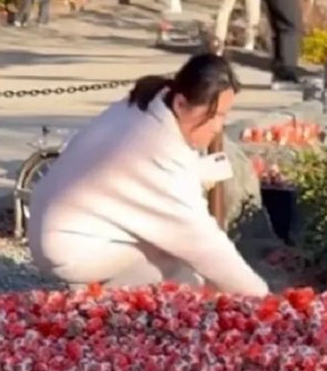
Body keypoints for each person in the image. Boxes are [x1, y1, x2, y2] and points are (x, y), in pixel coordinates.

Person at [28, 54, 268, 295]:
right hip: (69, 248)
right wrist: (262, 298)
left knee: (176, 247)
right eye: (214, 115)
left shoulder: (146, 103)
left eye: (224, 115)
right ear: (181, 104)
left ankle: (105, 294)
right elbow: (205, 244)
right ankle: (104, 301)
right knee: (182, 264)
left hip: (54, 224)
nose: (218, 127)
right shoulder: (159, 149)